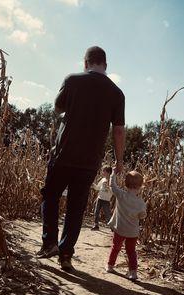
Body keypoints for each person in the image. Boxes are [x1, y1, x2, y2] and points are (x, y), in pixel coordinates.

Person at [37, 46, 125, 271]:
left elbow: (57, 108)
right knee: (76, 207)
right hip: (89, 161)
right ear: (105, 65)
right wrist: (120, 161)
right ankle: (65, 254)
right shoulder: (117, 93)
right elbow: (118, 131)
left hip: (63, 154)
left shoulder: (72, 80)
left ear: (86, 63)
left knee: (51, 195)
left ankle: (49, 244)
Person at [106, 169, 146, 281]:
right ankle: (133, 272)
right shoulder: (140, 202)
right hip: (133, 232)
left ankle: (110, 266)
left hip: (120, 229)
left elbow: (112, 186)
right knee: (131, 251)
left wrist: (113, 173)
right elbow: (142, 215)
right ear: (140, 186)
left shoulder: (121, 195)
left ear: (126, 184)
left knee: (115, 248)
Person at [91, 165, 112, 230]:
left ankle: (112, 227)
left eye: (104, 171)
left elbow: (114, 191)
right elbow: (97, 188)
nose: (102, 173)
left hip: (106, 200)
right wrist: (92, 184)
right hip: (99, 198)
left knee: (107, 214)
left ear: (108, 172)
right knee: (96, 212)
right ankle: (96, 225)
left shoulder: (112, 180)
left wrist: (109, 188)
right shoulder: (103, 180)